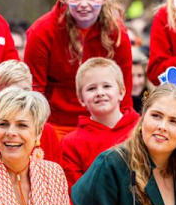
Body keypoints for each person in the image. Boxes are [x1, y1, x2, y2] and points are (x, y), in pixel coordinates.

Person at [25, 0, 132, 137]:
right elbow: (34, 90)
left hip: (102, 125)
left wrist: (126, 130)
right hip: (55, 126)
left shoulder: (117, 33)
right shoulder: (42, 31)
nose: (84, 4)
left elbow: (124, 90)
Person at [60, 58, 140, 189]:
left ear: (121, 92)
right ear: (81, 99)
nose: (100, 93)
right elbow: (74, 192)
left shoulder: (142, 128)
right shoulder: (71, 143)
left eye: (107, 86)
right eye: (91, 88)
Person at [0, 60, 61, 162]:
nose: (21, 99)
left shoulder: (47, 132)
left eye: (26, 91)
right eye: (11, 94)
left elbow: (57, 174)